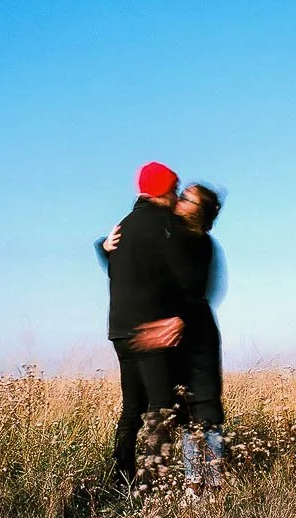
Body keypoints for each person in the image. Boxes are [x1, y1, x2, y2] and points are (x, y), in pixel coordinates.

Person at [104, 183, 226, 501]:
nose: (179, 200)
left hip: (195, 336)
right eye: (181, 194)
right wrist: (104, 248)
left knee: (205, 410)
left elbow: (197, 289)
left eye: (187, 198)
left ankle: (207, 488)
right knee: (180, 412)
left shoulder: (202, 243)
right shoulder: (167, 233)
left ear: (201, 212)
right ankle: (183, 488)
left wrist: (181, 317)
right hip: (168, 339)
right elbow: (135, 271)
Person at [96, 161, 186, 489]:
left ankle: (122, 477)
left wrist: (99, 247)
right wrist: (178, 317)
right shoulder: (164, 225)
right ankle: (155, 483)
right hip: (152, 332)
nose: (177, 198)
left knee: (133, 407)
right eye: (174, 190)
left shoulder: (123, 226)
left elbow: (117, 270)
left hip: (120, 330)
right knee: (163, 409)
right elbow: (173, 279)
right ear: (161, 193)